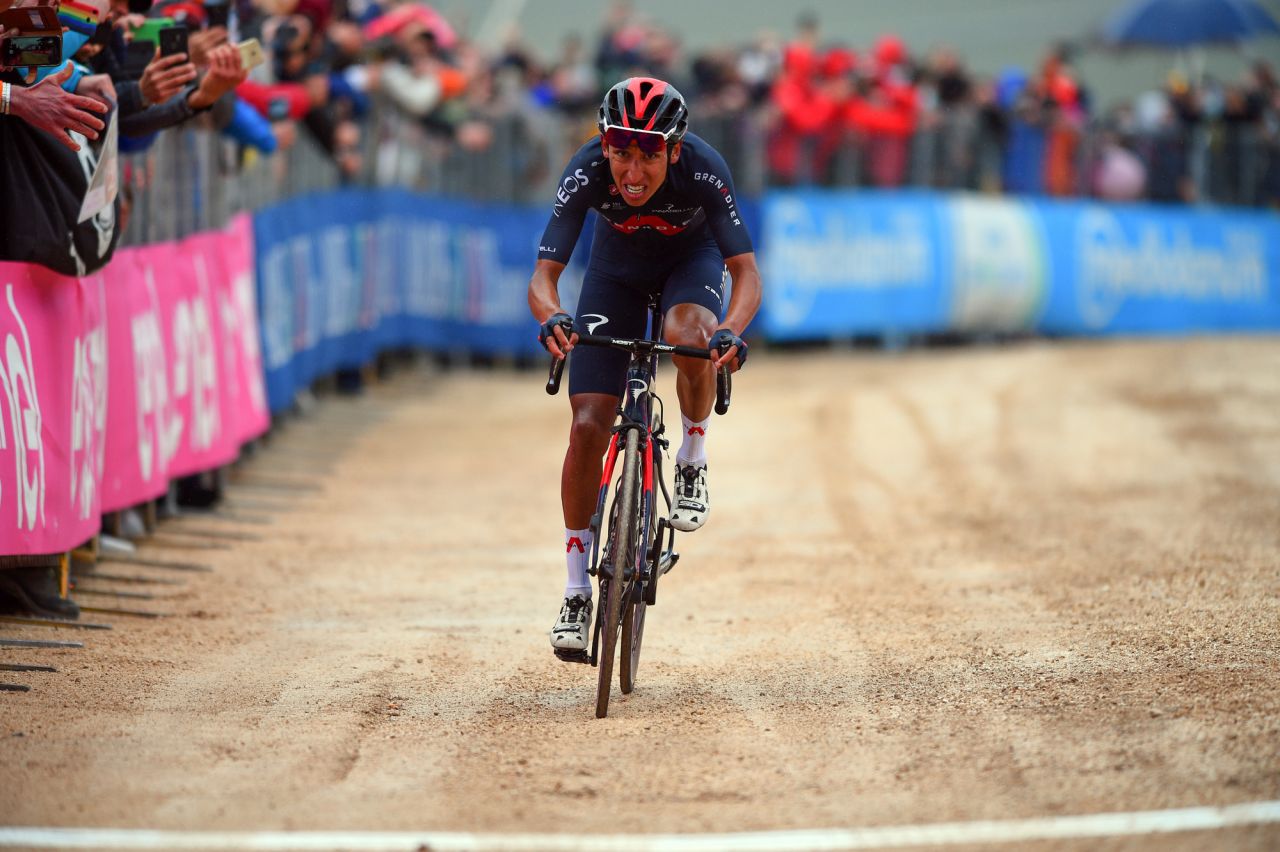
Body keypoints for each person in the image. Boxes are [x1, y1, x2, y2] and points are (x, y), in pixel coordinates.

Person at [527, 76, 762, 654]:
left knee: (687, 338)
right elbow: (543, 277)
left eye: (649, 156)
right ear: (604, 145)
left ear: (673, 151)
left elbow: (747, 273)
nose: (632, 172)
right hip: (617, 272)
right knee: (587, 424)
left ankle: (692, 457)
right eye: (621, 153)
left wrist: (730, 330)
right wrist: (553, 317)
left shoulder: (704, 169)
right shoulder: (586, 168)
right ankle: (576, 591)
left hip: (692, 261)